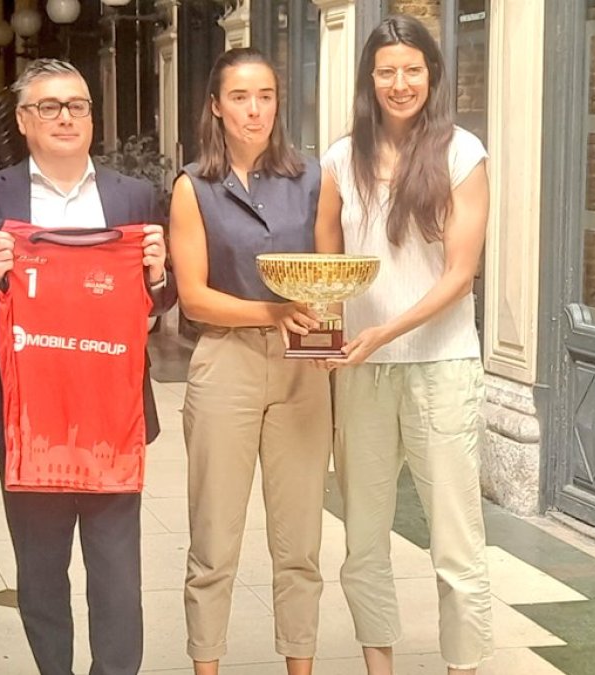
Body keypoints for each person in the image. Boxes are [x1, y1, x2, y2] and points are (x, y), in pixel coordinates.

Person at [0, 58, 176, 675]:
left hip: (112, 414)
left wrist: (157, 277)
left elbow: (158, 299)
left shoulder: (132, 195)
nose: (66, 117)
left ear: (92, 117)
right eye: (49, 106)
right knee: (41, 572)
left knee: (117, 574)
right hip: (26, 417)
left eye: (77, 105)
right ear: (24, 121)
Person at [314, 14, 492, 675]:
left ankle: (463, 667)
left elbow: (460, 273)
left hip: (441, 367)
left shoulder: (462, 154)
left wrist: (381, 331)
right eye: (386, 70)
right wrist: (325, 334)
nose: (399, 82)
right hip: (360, 375)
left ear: (433, 75)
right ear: (369, 78)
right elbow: (327, 266)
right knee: (363, 542)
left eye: (412, 69)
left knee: (456, 544)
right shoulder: (339, 159)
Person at [168, 48, 331, 675]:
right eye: (239, 96)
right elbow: (194, 294)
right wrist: (271, 312)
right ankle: (206, 665)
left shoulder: (312, 178)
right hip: (225, 363)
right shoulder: (193, 187)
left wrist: (325, 338)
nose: (254, 109)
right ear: (216, 106)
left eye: (264, 95)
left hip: (301, 370)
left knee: (300, 544)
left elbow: (329, 276)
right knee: (214, 541)